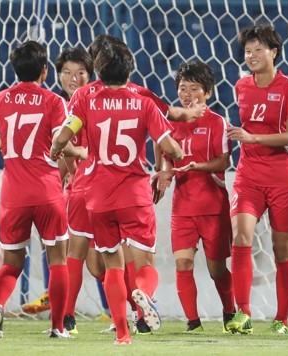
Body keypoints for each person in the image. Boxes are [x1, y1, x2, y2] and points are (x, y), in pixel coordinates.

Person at [51, 41, 183, 345]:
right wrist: (175, 155)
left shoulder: (85, 97)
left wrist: (58, 148)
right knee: (144, 265)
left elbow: (62, 137)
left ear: (99, 70)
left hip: (98, 196)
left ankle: (122, 335)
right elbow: (170, 146)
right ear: (130, 70)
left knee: (110, 265)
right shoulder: (144, 101)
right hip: (134, 194)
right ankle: (143, 296)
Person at [0, 41, 82, 338]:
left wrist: (5, 143)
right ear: (44, 70)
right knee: (58, 260)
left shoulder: (0, 99)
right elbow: (60, 144)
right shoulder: (53, 101)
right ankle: (58, 327)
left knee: (11, 263)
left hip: (14, 194)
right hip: (48, 191)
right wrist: (75, 169)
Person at [225, 24, 288, 334]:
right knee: (240, 236)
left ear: (274, 52)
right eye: (248, 50)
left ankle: (282, 319)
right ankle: (243, 314)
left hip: (282, 176)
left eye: (258, 49)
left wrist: (253, 138)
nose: (252, 55)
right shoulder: (241, 85)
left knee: (282, 250)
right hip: (248, 174)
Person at [154, 61, 235, 332]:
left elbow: (223, 162)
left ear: (208, 93)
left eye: (195, 88)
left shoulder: (217, 122)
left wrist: (196, 166)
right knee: (183, 263)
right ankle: (193, 322)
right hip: (183, 208)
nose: (188, 94)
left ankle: (229, 312)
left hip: (213, 207)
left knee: (216, 270)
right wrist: (165, 174)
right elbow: (164, 157)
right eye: (183, 88)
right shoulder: (171, 123)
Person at [20, 47, 101, 318]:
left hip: (99, 187)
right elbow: (60, 155)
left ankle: (121, 303)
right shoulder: (58, 105)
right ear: (56, 75)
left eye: (80, 72)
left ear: (91, 75)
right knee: (55, 239)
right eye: (66, 72)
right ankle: (57, 299)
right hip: (74, 187)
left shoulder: (95, 103)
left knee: (97, 256)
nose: (73, 78)